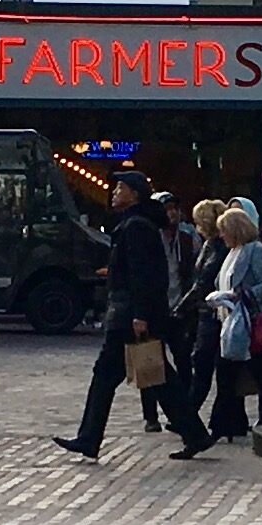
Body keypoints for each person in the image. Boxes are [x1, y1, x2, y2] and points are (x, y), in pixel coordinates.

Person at [54, 171, 214, 461]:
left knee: (113, 376)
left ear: (135, 194)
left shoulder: (136, 227)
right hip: (131, 313)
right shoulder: (137, 224)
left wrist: (140, 314)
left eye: (121, 187)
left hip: (129, 316)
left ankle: (90, 438)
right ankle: (195, 434)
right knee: (158, 378)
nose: (114, 192)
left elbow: (144, 275)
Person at [206, 206, 262, 439]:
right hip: (233, 323)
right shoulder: (233, 252)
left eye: (224, 230)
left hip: (251, 323)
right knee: (255, 375)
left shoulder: (256, 251)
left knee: (243, 374)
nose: (221, 236)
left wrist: (243, 295)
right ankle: (236, 423)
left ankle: (219, 427)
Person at [141, 192, 199, 432]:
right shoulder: (149, 238)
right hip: (156, 309)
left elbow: (195, 271)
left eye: (174, 208)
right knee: (150, 363)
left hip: (180, 308)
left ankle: (181, 412)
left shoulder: (186, 239)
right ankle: (151, 416)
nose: (171, 214)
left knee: (184, 362)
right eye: (166, 209)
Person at [179, 199, 228, 412]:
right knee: (209, 364)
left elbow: (203, 282)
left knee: (204, 363)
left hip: (211, 310)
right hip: (206, 310)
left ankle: (188, 413)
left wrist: (181, 308)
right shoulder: (212, 246)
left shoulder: (216, 247)